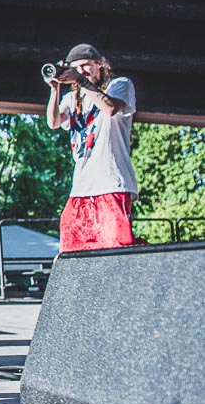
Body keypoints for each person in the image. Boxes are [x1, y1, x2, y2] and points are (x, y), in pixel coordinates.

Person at [44, 43, 139, 251]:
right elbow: (53, 122)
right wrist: (55, 89)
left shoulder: (119, 85)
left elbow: (111, 108)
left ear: (99, 64)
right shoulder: (72, 99)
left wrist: (80, 80)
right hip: (80, 189)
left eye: (86, 66)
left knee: (115, 249)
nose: (81, 72)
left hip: (111, 183)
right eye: (76, 68)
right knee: (71, 250)